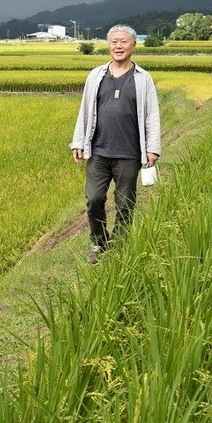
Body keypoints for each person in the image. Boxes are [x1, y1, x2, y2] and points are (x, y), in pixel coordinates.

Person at [70, 24, 161, 264]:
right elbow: (85, 111)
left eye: (123, 42)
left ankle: (119, 246)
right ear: (109, 45)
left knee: (124, 203)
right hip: (98, 151)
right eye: (114, 42)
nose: (118, 46)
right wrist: (78, 141)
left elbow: (151, 114)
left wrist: (153, 148)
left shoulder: (142, 78)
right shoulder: (96, 75)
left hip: (129, 154)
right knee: (94, 198)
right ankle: (99, 244)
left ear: (133, 45)